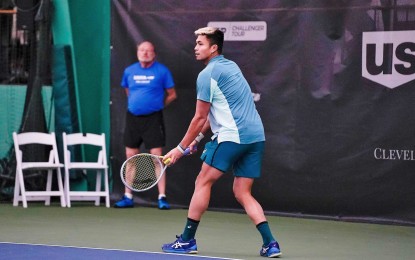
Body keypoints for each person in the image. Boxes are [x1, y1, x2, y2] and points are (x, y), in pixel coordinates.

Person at [161, 27, 281, 257]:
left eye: (200, 44)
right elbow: (213, 116)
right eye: (196, 43)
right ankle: (270, 243)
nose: (195, 48)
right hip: (256, 136)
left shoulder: (207, 75)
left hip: (232, 136)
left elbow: (199, 117)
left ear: (214, 47)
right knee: (242, 191)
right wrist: (196, 139)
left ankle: (187, 240)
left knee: (202, 181)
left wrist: (179, 149)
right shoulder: (231, 67)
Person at [114, 41, 177, 210]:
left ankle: (161, 197)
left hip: (153, 119)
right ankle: (128, 196)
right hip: (133, 118)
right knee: (131, 156)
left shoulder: (162, 71)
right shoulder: (129, 71)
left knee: (157, 157)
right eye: (142, 50)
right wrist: (139, 104)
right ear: (137, 52)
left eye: (148, 50)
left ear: (154, 54)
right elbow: (128, 91)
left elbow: (172, 94)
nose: (145, 53)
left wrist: (157, 105)